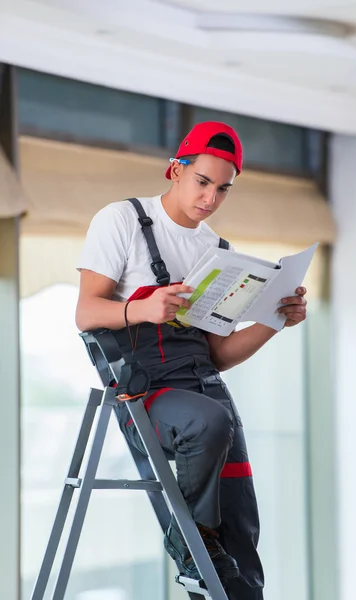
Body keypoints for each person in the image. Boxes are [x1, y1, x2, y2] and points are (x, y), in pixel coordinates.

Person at [75, 121, 307, 600]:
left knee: (240, 535)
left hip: (205, 387)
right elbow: (85, 312)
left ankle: (211, 566)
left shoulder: (220, 252)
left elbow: (217, 354)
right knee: (207, 423)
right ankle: (189, 545)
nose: (210, 198)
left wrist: (273, 322)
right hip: (144, 389)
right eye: (202, 181)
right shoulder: (122, 220)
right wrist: (142, 307)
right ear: (175, 170)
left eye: (223, 189)